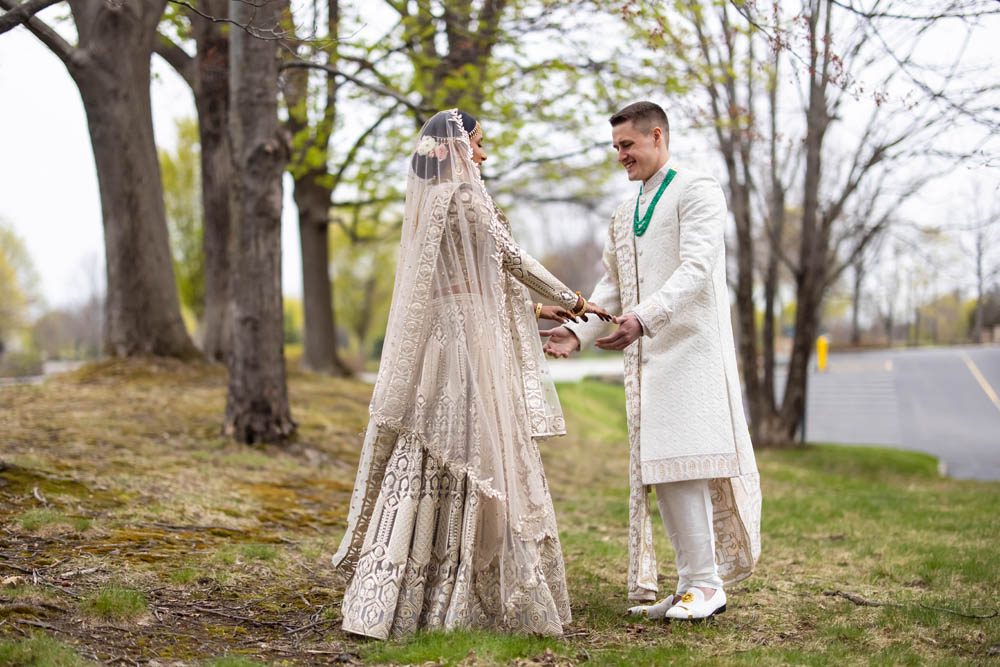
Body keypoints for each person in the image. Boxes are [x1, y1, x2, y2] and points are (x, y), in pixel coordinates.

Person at [332, 109, 610, 639]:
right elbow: (509, 259)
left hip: (450, 335)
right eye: (478, 143)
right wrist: (572, 297)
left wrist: (536, 313)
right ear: (457, 148)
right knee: (479, 446)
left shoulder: (428, 206)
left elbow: (463, 283)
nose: (483, 154)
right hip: (466, 344)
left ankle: (413, 588)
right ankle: (466, 595)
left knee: (438, 447)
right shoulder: (462, 196)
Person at [542, 101, 761, 621]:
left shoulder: (697, 189)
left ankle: (707, 586)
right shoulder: (625, 211)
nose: (620, 155)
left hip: (691, 349)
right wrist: (578, 333)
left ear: (657, 136)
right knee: (664, 470)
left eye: (628, 145)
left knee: (685, 463)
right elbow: (611, 285)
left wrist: (644, 318)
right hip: (648, 358)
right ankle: (691, 584)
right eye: (616, 147)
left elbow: (698, 266)